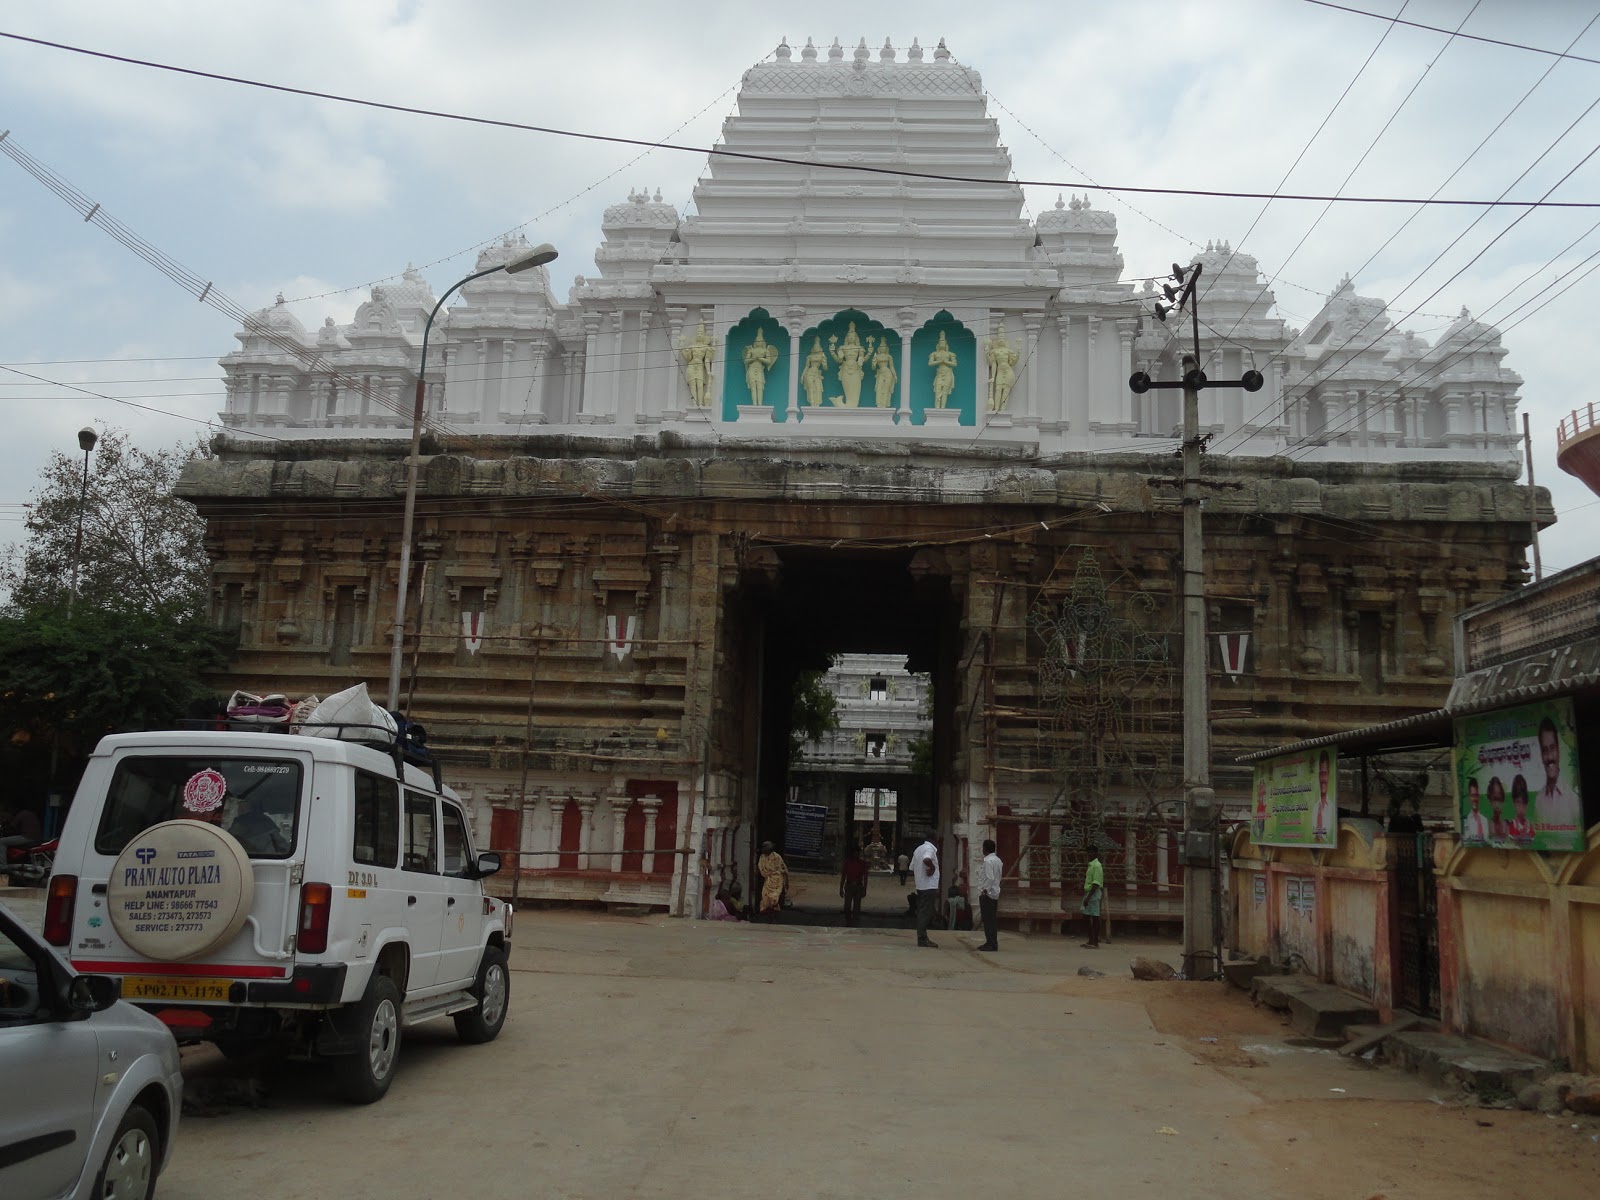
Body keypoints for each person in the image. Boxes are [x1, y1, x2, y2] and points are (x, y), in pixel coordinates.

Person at [910, 831, 940, 947]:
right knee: (926, 912)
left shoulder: (918, 849)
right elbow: (926, 859)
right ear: (934, 839)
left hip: (920, 885)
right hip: (929, 885)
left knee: (923, 910)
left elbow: (912, 867)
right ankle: (922, 938)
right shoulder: (929, 849)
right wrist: (931, 867)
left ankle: (922, 936)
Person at [977, 838, 1002, 951]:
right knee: (992, 919)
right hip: (995, 892)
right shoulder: (997, 860)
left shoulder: (988, 861)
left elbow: (990, 878)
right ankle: (993, 942)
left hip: (988, 893)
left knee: (987, 919)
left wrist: (985, 890)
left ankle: (990, 943)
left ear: (985, 849)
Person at [757, 840, 788, 922]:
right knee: (765, 897)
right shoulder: (762, 857)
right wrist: (769, 873)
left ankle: (774, 915)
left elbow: (782, 868)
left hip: (777, 879)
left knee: (774, 898)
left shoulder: (777, 857)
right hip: (768, 880)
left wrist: (776, 873)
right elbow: (762, 869)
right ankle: (768, 916)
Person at [839, 843, 869, 927]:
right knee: (847, 906)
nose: (856, 854)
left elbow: (865, 877)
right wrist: (841, 888)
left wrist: (864, 889)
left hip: (858, 886)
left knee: (856, 907)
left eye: (857, 853)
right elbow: (843, 876)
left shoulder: (862, 863)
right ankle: (848, 921)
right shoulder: (847, 863)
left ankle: (855, 922)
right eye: (854, 852)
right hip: (849, 885)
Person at [1538, 717, 1566, 805]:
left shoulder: (1574, 799)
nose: (1549, 756)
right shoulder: (1538, 801)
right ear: (1541, 755)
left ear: (1558, 751)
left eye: (1552, 748)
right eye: (1545, 750)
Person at [1080, 850, 1104, 948]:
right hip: (1089, 892)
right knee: (1086, 915)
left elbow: (1096, 883)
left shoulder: (1097, 866)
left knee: (1095, 917)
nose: (1089, 855)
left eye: (1091, 853)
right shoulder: (1091, 865)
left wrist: (1088, 898)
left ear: (1095, 854)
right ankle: (1091, 940)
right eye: (1088, 853)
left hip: (1093, 893)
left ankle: (1095, 942)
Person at [1311, 751, 1333, 843]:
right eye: (1320, 774)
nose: (1323, 779)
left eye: (1325, 774)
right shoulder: (1314, 808)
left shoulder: (1332, 809)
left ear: (1329, 774)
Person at [1506, 774, 1535, 844]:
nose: (1521, 807)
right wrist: (1523, 835)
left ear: (1527, 804)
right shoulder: (1512, 825)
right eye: (1518, 802)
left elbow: (1531, 842)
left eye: (1524, 803)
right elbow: (1513, 842)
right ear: (1514, 803)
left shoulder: (1529, 825)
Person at [1462, 778, 1489, 843]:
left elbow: (1487, 841)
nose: (1475, 799)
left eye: (1476, 795)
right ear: (1469, 797)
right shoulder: (1465, 821)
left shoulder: (1485, 820)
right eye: (1473, 795)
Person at [1485, 777, 1508, 845]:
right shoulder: (1485, 825)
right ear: (1490, 801)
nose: (1497, 804)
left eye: (1500, 800)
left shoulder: (1507, 825)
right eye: (1495, 799)